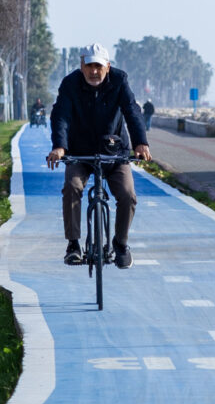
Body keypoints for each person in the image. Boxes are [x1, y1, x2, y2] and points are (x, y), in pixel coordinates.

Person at [47, 43, 152, 269]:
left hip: (115, 153)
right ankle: (73, 245)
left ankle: (121, 244)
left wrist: (140, 143)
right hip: (80, 153)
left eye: (99, 66)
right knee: (72, 187)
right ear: (82, 66)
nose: (94, 71)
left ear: (107, 66)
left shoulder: (120, 81)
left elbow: (132, 111)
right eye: (89, 66)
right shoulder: (70, 84)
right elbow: (61, 116)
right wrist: (60, 147)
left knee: (128, 195)